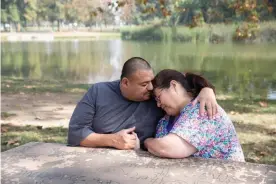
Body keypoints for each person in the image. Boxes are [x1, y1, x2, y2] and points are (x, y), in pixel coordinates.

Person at [67, 57, 218, 150]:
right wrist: (112, 140)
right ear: (125, 82)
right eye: (144, 84)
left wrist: (206, 90)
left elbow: (181, 85)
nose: (151, 88)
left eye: (151, 82)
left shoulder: (157, 98)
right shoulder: (98, 92)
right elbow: (75, 134)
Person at [144, 69, 245, 161]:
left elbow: (166, 148)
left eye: (158, 97)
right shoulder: (165, 121)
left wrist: (147, 141)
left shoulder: (202, 109)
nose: (158, 104)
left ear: (173, 85)